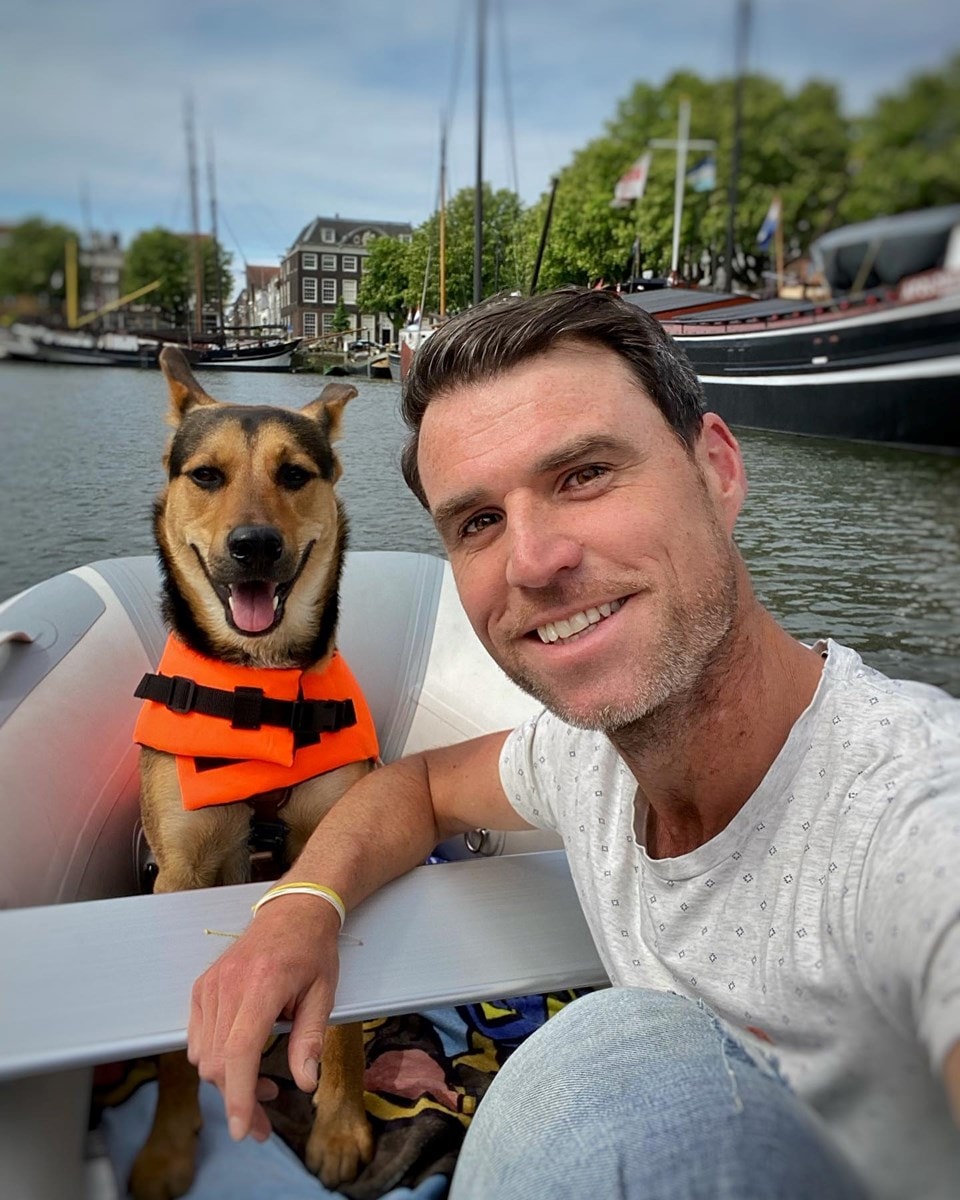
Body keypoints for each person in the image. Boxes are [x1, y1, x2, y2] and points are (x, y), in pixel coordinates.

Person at [187, 287, 960, 1199]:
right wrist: (300, 906)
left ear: (718, 469)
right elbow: (419, 786)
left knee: (607, 1053)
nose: (533, 561)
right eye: (478, 522)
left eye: (585, 475)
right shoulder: (585, 759)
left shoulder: (915, 812)